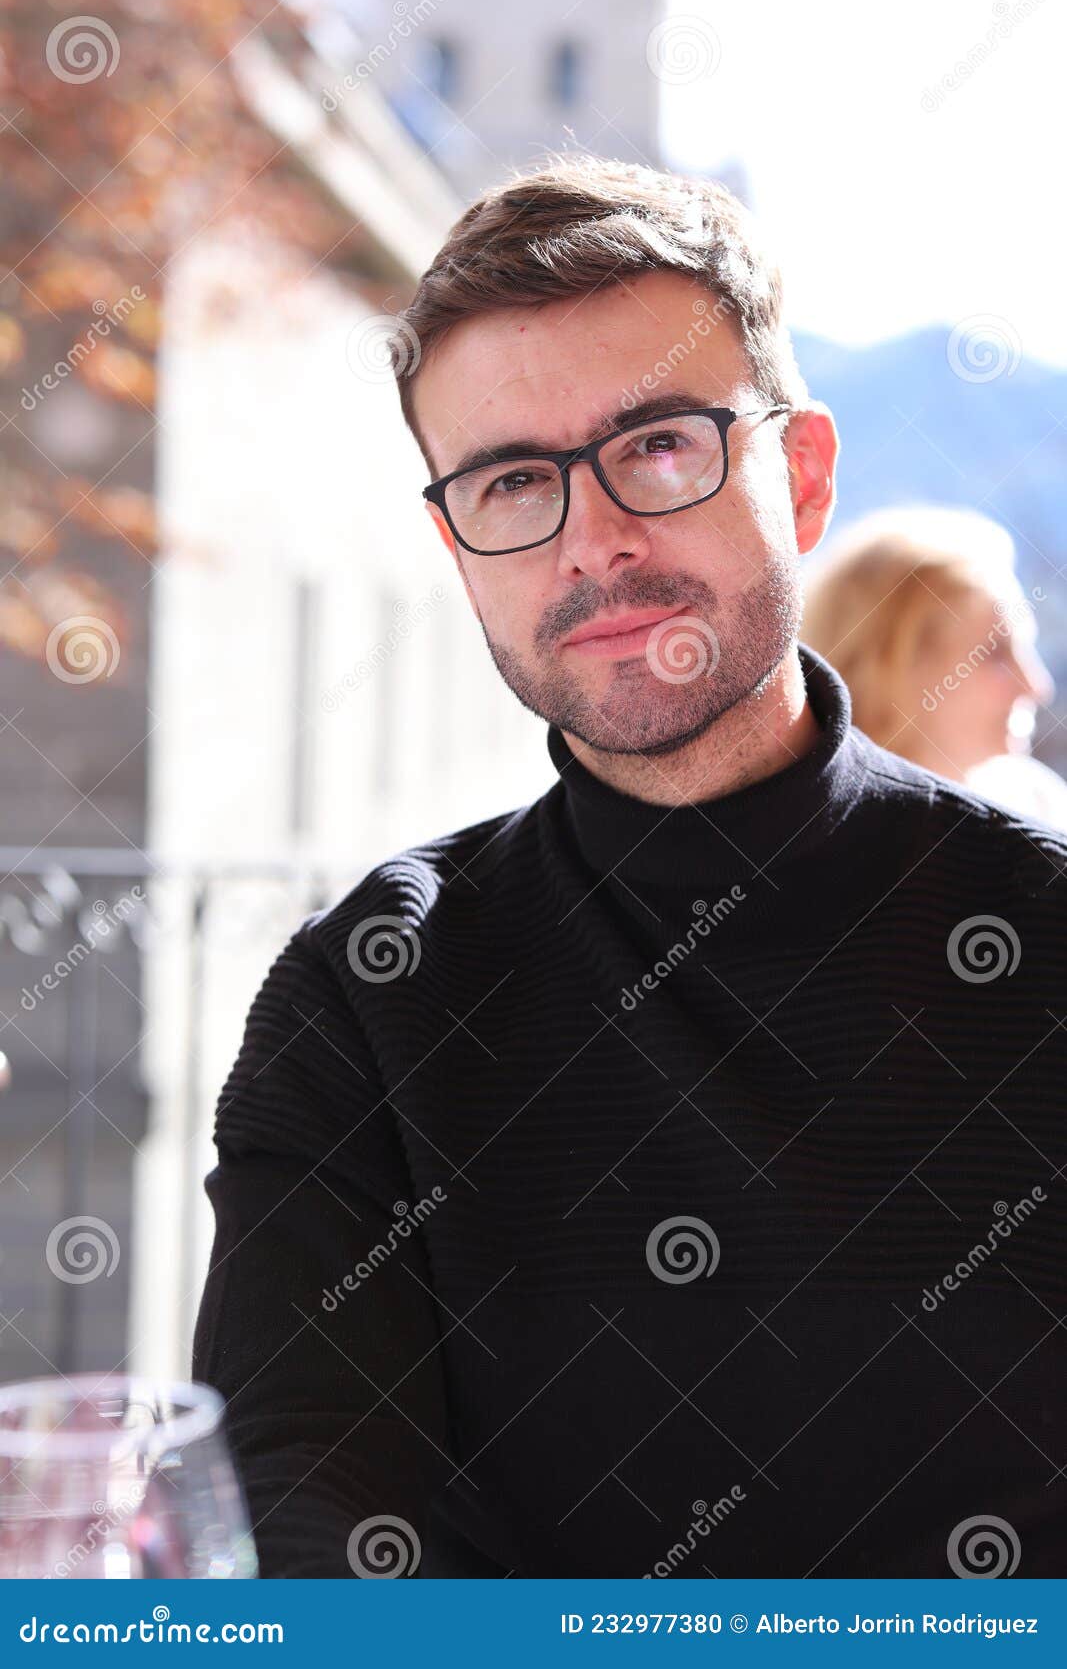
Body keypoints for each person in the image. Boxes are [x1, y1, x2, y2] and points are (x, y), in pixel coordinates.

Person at [192, 154, 1067, 1580]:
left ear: (798, 474)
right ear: (458, 544)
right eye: (513, 480)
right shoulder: (366, 994)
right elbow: (306, 1513)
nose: (589, 540)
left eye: (658, 445)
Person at [800, 505, 1067, 829]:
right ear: (888, 668)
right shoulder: (821, 840)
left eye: (1025, 648)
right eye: (995, 653)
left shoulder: (1041, 807)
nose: (1036, 686)